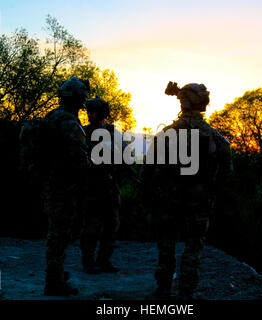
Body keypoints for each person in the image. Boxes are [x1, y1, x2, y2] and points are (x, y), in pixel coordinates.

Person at [141, 81, 233, 299]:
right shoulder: (216, 138)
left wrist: (151, 195)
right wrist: (210, 193)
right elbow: (226, 173)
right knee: (193, 248)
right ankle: (186, 293)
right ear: (203, 105)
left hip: (168, 201)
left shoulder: (166, 134)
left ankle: (163, 289)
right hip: (199, 202)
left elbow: (147, 171)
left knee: (166, 246)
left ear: (182, 104)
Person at [42, 77, 91, 296]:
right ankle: (54, 282)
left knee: (60, 232)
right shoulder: (69, 121)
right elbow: (78, 156)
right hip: (64, 185)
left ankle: (57, 274)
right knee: (60, 234)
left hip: (56, 183)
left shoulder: (53, 116)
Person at [80, 97, 121, 274]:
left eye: (93, 111)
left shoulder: (112, 132)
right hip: (91, 186)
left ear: (103, 112)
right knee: (91, 227)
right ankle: (89, 261)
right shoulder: (84, 132)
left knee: (112, 225)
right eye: (88, 111)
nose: (90, 115)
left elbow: (125, 154)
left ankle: (104, 260)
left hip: (110, 185)